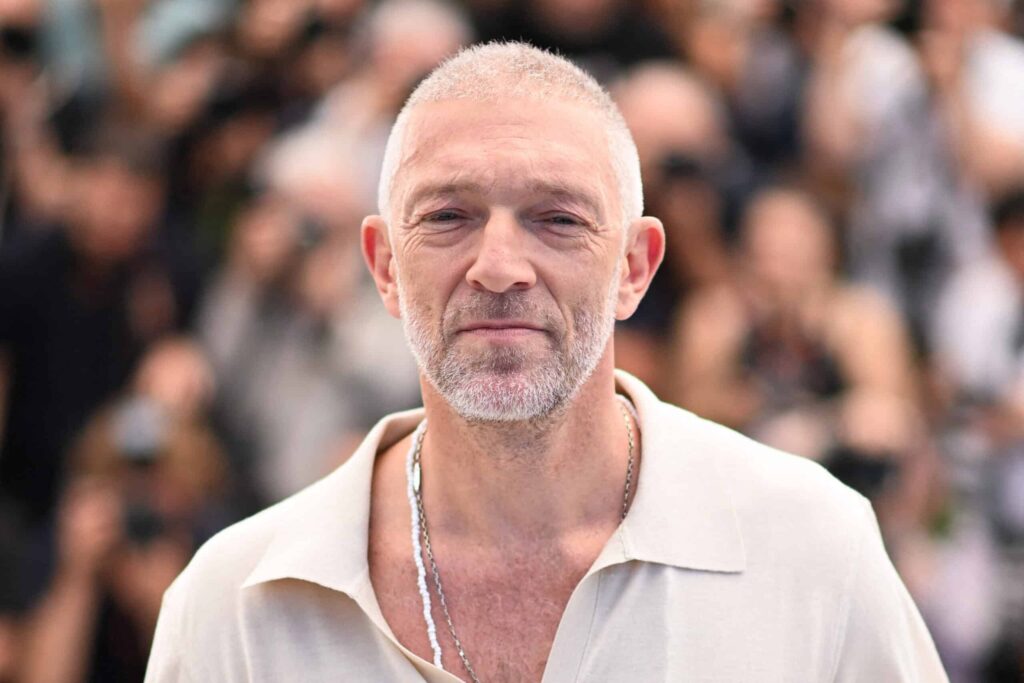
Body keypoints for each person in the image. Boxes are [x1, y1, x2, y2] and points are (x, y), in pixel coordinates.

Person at [145, 42, 947, 682]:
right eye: (449, 215)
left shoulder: (811, 548)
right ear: (384, 266)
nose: (500, 267)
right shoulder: (233, 606)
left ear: (634, 266)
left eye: (558, 219)